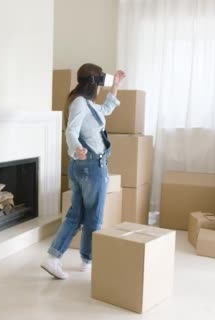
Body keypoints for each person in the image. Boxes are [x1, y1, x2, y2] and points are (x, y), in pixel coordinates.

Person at [41, 63, 126, 279]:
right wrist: (75, 148)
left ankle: (54, 258)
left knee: (76, 215)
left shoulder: (85, 103)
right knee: (93, 217)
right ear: (93, 84)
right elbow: (71, 130)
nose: (100, 89)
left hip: (82, 167)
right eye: (100, 83)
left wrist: (115, 85)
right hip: (91, 167)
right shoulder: (80, 103)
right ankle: (87, 260)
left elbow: (106, 109)